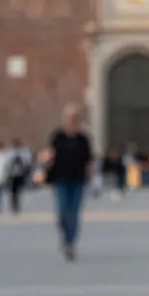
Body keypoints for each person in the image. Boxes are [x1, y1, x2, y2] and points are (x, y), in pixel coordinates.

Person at [47, 103, 92, 261]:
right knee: (62, 211)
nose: (71, 120)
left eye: (74, 118)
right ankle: (65, 235)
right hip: (61, 179)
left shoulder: (83, 139)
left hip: (78, 179)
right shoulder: (57, 137)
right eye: (69, 117)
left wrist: (90, 176)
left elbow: (88, 160)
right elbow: (50, 155)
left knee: (74, 212)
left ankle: (70, 242)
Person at [7, 138, 31, 214]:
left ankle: (16, 205)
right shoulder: (10, 152)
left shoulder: (23, 152)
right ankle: (14, 205)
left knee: (17, 191)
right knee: (13, 192)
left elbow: (27, 163)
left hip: (20, 174)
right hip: (12, 174)